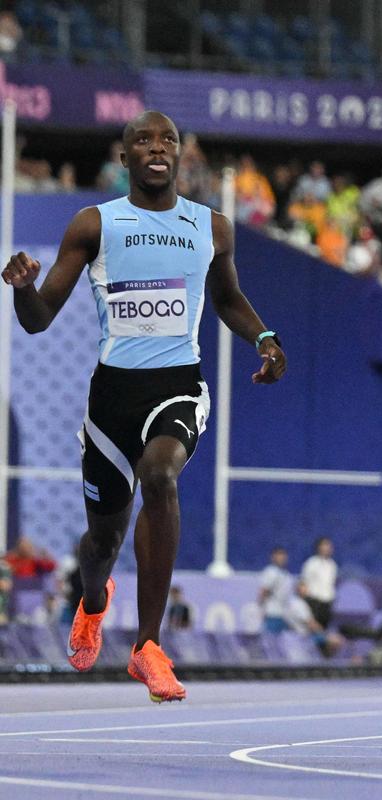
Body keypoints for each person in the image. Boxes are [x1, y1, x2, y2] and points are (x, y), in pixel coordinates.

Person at [2, 110, 287, 703]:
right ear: (124, 156)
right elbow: (38, 320)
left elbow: (228, 297)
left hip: (178, 387)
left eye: (168, 141)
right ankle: (94, 601)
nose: (157, 148)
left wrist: (263, 337)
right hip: (111, 401)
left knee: (160, 478)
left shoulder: (212, 227)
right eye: (143, 141)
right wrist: (25, 289)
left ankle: (148, 646)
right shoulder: (93, 225)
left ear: (180, 156)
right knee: (102, 541)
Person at [300, 537, 338, 629]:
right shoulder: (311, 563)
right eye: (325, 545)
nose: (327, 548)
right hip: (314, 603)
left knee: (324, 630)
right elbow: (303, 584)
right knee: (313, 630)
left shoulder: (332, 565)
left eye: (329, 545)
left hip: (327, 604)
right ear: (318, 547)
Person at [258, 547, 293, 634]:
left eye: (283, 555)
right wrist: (261, 609)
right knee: (270, 642)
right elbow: (264, 591)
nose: (281, 557)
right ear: (273, 557)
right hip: (272, 613)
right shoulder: (271, 572)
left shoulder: (286, 575)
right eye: (278, 555)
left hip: (284, 614)